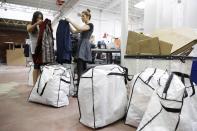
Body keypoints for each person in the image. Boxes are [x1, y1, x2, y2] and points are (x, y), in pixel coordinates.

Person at [66, 9, 94, 96]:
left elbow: (78, 28)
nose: (82, 17)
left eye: (83, 16)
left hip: (84, 47)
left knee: (80, 69)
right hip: (81, 46)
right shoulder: (84, 26)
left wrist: (70, 20)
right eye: (81, 16)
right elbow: (74, 31)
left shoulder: (90, 25)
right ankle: (83, 90)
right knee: (81, 69)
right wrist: (68, 24)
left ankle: (79, 91)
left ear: (88, 16)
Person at [27, 11, 43, 86]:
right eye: (38, 18)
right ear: (35, 18)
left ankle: (38, 84)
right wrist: (37, 24)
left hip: (42, 50)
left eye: (40, 18)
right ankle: (34, 85)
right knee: (36, 67)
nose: (39, 19)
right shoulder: (30, 25)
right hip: (34, 50)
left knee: (40, 67)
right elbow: (29, 29)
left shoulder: (41, 27)